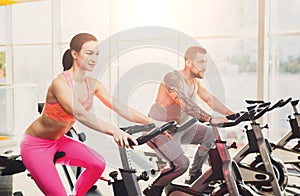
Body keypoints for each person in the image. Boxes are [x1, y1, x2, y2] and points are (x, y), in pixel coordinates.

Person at [20, 33, 155, 196]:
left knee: (97, 164)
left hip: (59, 141)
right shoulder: (60, 83)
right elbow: (81, 115)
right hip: (36, 145)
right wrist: (114, 130)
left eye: (97, 54)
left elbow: (121, 108)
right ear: (75, 54)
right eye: (89, 53)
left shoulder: (93, 84)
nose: (94, 58)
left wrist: (154, 123)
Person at [143, 46, 234, 195]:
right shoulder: (172, 78)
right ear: (188, 62)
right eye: (201, 62)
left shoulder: (194, 83)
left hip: (180, 128)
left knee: (211, 134)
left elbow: (210, 99)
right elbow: (185, 105)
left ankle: (195, 173)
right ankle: (152, 190)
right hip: (159, 131)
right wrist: (210, 118)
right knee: (180, 165)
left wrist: (232, 114)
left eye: (206, 62)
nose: (204, 67)